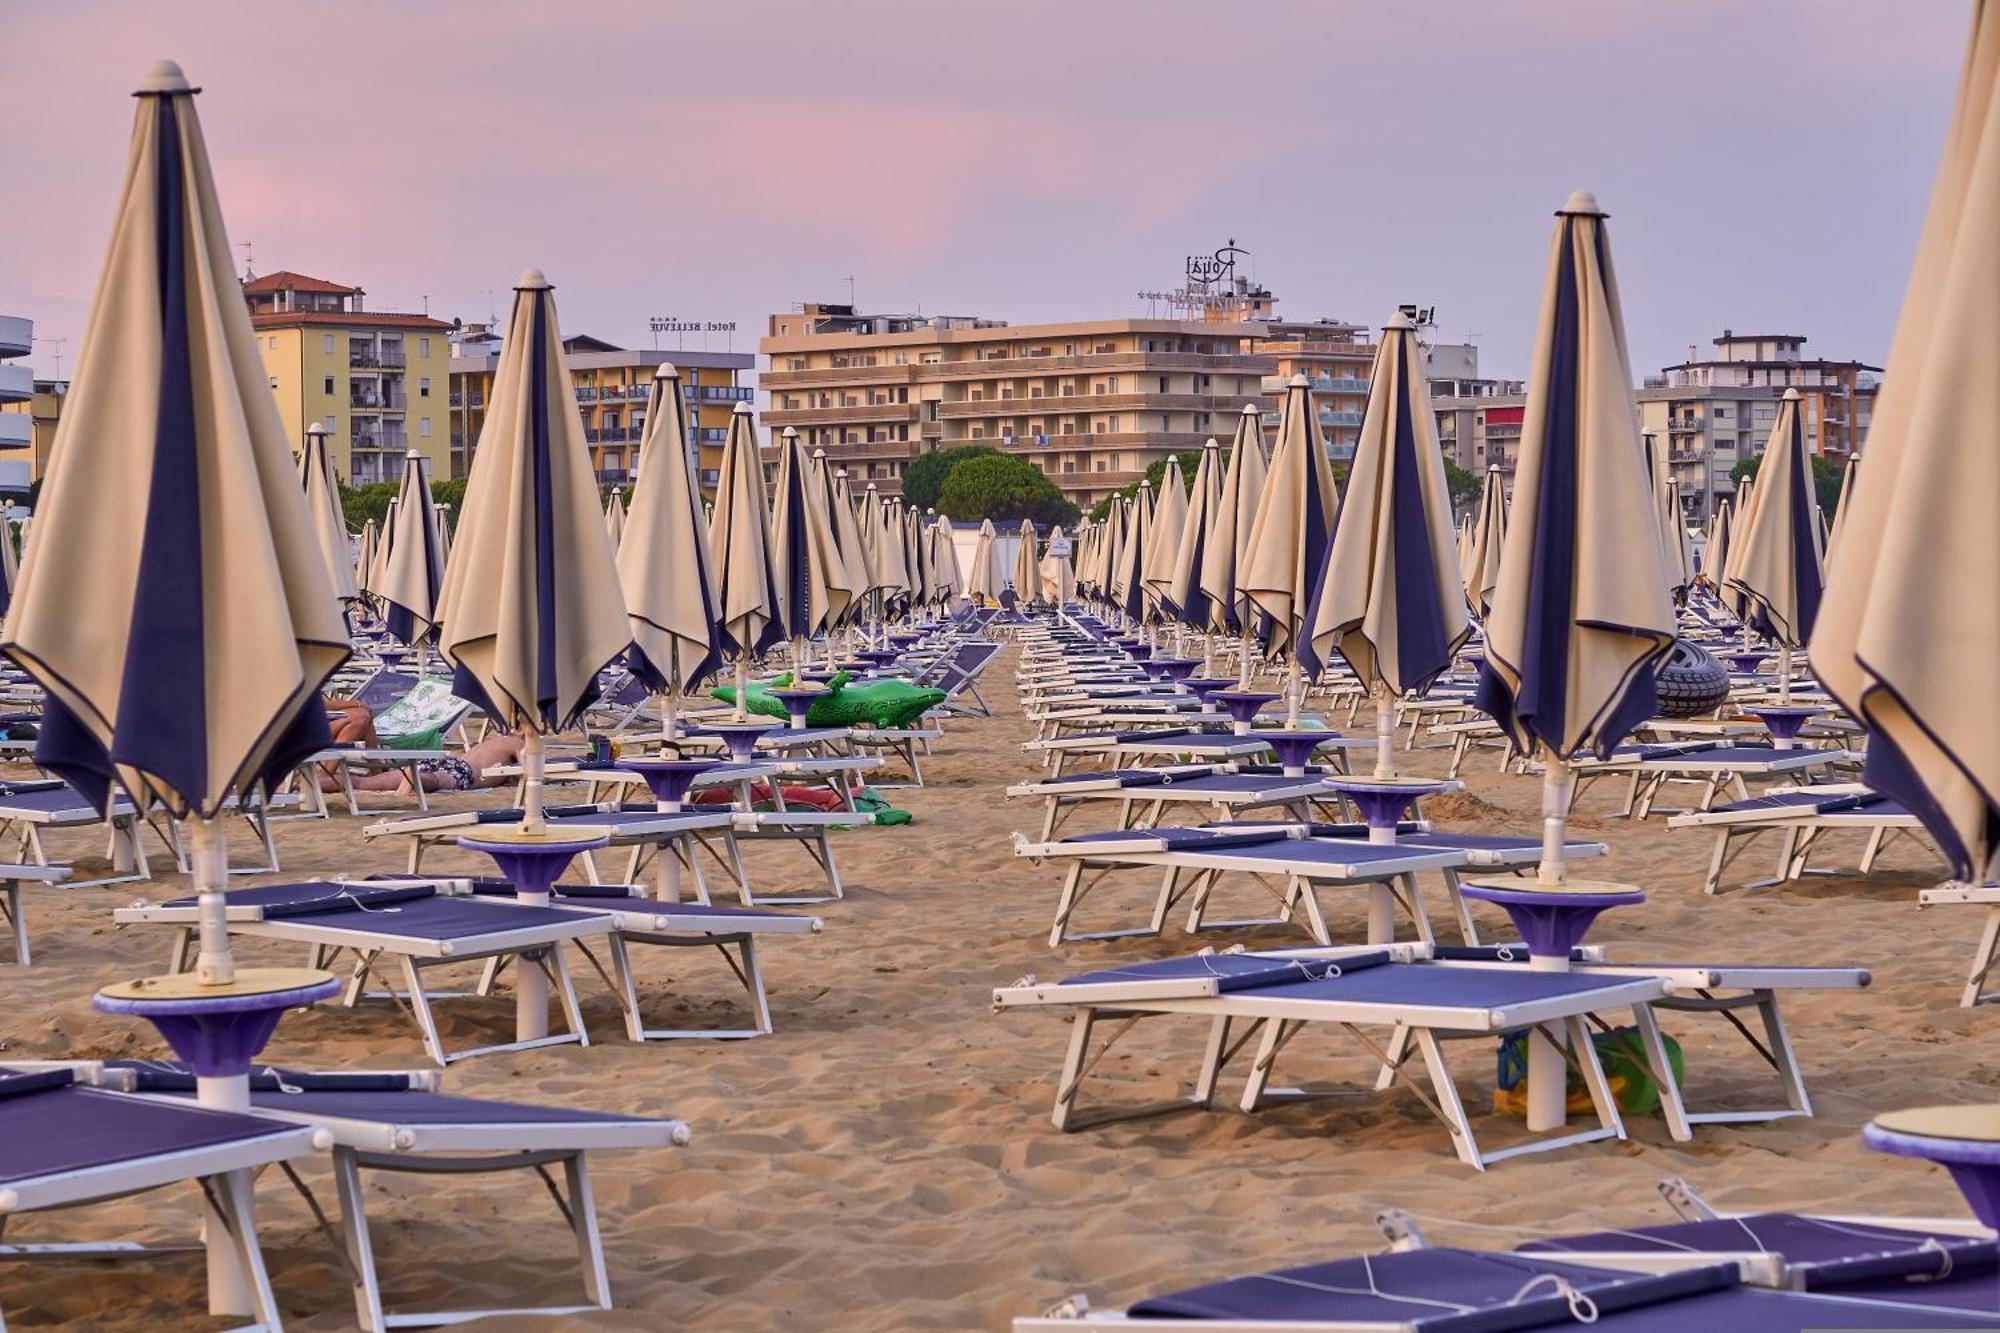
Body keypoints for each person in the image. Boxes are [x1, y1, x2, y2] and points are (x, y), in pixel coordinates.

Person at [317, 695, 523, 794]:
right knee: (433, 779)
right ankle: (411, 782)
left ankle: (304, 785)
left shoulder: (494, 742)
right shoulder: (516, 744)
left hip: (451, 762)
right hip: (462, 773)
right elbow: (532, 771)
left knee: (362, 784)